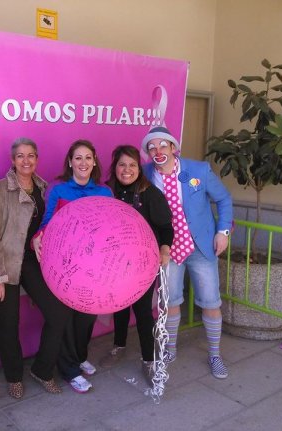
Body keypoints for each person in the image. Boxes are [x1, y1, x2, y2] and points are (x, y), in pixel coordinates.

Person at [141, 126, 233, 379]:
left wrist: (222, 232)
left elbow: (224, 199)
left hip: (201, 247)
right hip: (168, 250)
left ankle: (215, 355)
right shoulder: (146, 173)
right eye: (152, 147)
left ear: (173, 147)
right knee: (170, 303)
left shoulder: (199, 170)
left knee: (211, 302)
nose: (158, 151)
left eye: (162, 145)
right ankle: (170, 349)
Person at [0, 137, 72, 399]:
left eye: (31, 155)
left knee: (58, 315)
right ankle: (13, 377)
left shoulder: (44, 188)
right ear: (13, 161)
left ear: (37, 159)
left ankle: (42, 370)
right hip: (7, 263)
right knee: (8, 322)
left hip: (35, 262)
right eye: (20, 156)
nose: (26, 161)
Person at [33, 139, 113, 393]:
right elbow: (48, 222)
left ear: (94, 161)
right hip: (64, 265)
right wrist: (39, 235)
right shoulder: (58, 190)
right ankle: (70, 370)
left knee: (87, 317)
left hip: (92, 265)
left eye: (88, 157)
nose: (83, 163)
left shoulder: (104, 193)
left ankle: (78, 357)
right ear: (70, 162)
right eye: (78, 158)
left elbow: (110, 229)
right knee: (66, 318)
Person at [99, 145, 174, 385]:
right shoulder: (106, 190)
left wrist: (165, 248)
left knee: (142, 312)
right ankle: (119, 347)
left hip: (143, 263)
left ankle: (148, 360)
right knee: (119, 307)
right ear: (115, 167)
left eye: (132, 165)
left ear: (138, 168)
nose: (127, 169)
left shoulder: (150, 193)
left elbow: (166, 228)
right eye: (122, 164)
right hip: (114, 264)